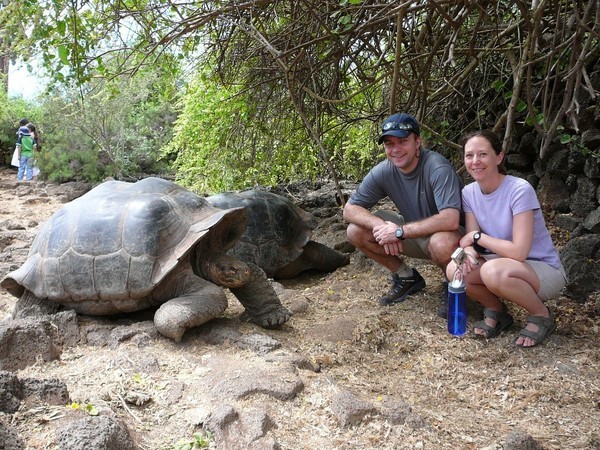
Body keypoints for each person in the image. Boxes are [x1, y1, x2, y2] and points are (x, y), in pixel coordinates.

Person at [446, 130, 567, 348]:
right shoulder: (469, 192)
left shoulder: (519, 190)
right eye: (469, 155)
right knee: (455, 269)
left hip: (541, 269)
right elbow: (473, 243)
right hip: (502, 263)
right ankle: (497, 311)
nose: (475, 161)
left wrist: (477, 237)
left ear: (499, 157)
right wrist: (470, 254)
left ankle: (541, 315)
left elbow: (519, 252)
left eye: (483, 154)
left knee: (492, 271)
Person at [343, 112, 463, 311]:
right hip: (413, 234)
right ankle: (406, 277)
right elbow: (349, 209)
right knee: (355, 231)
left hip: (452, 238)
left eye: (402, 141)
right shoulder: (384, 170)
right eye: (389, 144)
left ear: (417, 142)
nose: (395, 150)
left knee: (441, 242)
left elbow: (451, 219)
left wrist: (399, 232)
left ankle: (453, 284)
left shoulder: (437, 167)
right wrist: (381, 227)